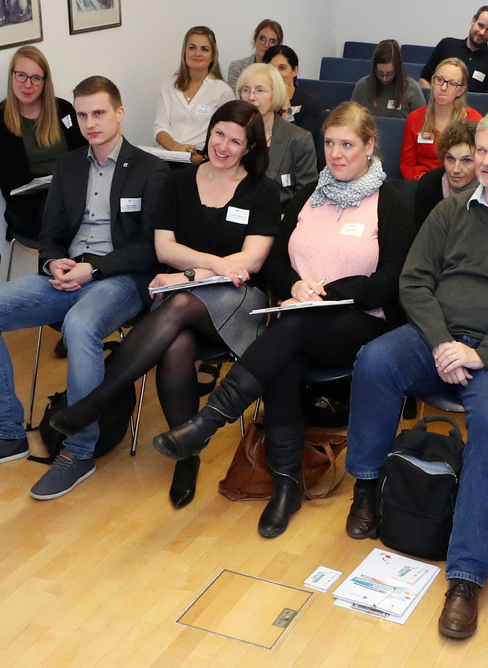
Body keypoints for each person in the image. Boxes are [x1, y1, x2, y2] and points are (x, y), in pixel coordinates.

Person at [342, 111, 488, 638]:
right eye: (481, 151)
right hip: (437, 340)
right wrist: (443, 341)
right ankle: (368, 489)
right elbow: (414, 283)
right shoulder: (448, 212)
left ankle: (465, 575)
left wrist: (479, 354)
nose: (487, 162)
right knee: (373, 361)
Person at [148, 103, 418, 539]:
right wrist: (293, 286)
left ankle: (208, 421)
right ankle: (286, 487)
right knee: (285, 356)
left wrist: (328, 292)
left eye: (347, 144)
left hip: (363, 322)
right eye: (329, 143)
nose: (336, 153)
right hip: (302, 317)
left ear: (370, 146)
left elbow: (392, 281)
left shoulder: (392, 202)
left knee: (291, 330)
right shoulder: (310, 194)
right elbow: (271, 261)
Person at [46, 100, 282, 508]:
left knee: (176, 307)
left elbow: (251, 264)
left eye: (235, 140)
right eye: (218, 134)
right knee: (176, 344)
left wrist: (188, 277)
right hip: (187, 290)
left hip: (239, 301)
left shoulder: (263, 190)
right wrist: (206, 267)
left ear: (250, 147)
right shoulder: (179, 181)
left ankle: (97, 400)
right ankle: (186, 455)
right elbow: (164, 247)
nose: (223, 146)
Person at [0, 76, 170, 499]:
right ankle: (7, 433)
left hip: (121, 278)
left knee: (79, 326)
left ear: (120, 113)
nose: (90, 123)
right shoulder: (69, 166)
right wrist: (55, 261)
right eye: (84, 114)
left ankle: (78, 450)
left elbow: (151, 250)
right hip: (66, 275)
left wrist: (93, 268)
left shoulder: (150, 169)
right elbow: (49, 235)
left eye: (100, 113)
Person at [0, 46, 78, 242]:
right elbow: (16, 178)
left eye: (36, 78)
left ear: (45, 82)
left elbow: (82, 155)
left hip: (71, 195)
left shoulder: (63, 109)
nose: (28, 84)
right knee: (74, 220)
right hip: (28, 207)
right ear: (11, 76)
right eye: (21, 76)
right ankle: (68, 268)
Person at [236, 62, 318, 204]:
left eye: (260, 90)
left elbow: (306, 195)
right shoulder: (231, 133)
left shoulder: (299, 139)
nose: (251, 97)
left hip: (279, 218)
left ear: (275, 94)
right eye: (246, 90)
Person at [154, 25, 235, 160]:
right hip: (169, 153)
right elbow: (159, 128)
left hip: (202, 157)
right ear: (184, 52)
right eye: (192, 48)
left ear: (213, 56)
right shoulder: (168, 85)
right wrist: (176, 148)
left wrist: (203, 157)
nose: (197, 53)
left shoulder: (222, 91)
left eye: (204, 49)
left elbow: (229, 133)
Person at [399, 59, 481, 179]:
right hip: (421, 182)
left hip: (458, 184)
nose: (443, 87)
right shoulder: (415, 118)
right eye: (439, 80)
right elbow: (407, 165)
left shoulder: (474, 120)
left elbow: (477, 164)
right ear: (432, 81)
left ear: (461, 90)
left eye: (452, 84)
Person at [419, 6, 488, 93]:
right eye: (480, 25)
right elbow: (424, 79)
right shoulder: (447, 45)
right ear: (473, 21)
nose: (482, 32)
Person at [411, 117, 479, 228]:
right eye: (450, 159)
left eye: (466, 160)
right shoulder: (429, 184)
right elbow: (422, 237)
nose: (456, 169)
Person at [351, 39, 423, 118]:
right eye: (380, 73)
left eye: (390, 74)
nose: (384, 78)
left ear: (398, 70)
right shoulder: (362, 86)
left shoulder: (412, 88)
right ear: (374, 69)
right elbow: (351, 120)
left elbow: (421, 122)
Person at [262, 44, 316, 133]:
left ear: (295, 71)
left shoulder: (310, 104)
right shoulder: (261, 100)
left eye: (282, 68)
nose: (276, 74)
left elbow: (297, 142)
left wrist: (286, 106)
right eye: (271, 69)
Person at [224, 19, 283, 85]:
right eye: (262, 38)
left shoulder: (281, 70)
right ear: (255, 41)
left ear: (278, 46)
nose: (266, 45)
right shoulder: (238, 67)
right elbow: (235, 94)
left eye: (272, 41)